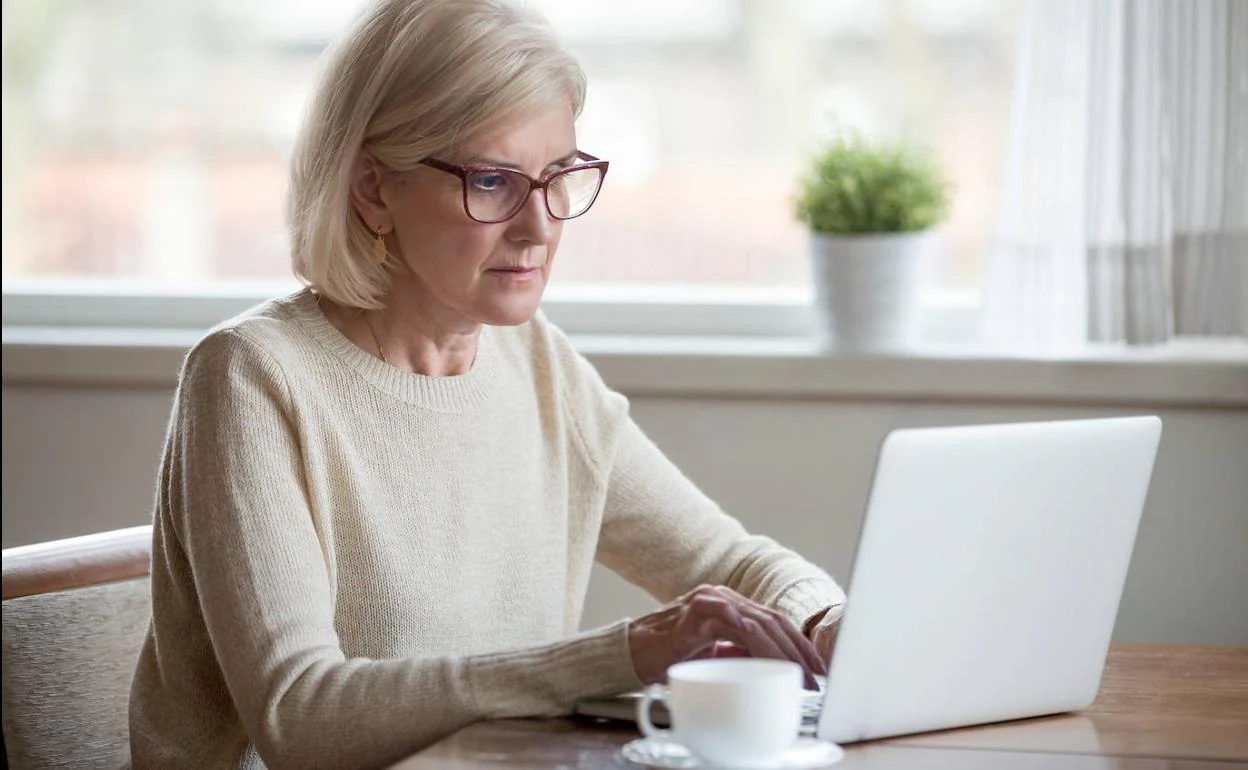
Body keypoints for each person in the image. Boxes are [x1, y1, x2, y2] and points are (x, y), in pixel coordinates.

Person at [127, 1, 846, 767]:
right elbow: (303, 718)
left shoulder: (539, 366)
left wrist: (828, 623)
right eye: (495, 180)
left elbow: (734, 566)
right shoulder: (252, 377)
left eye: (559, 176)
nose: (540, 227)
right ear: (373, 189)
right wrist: (627, 653)